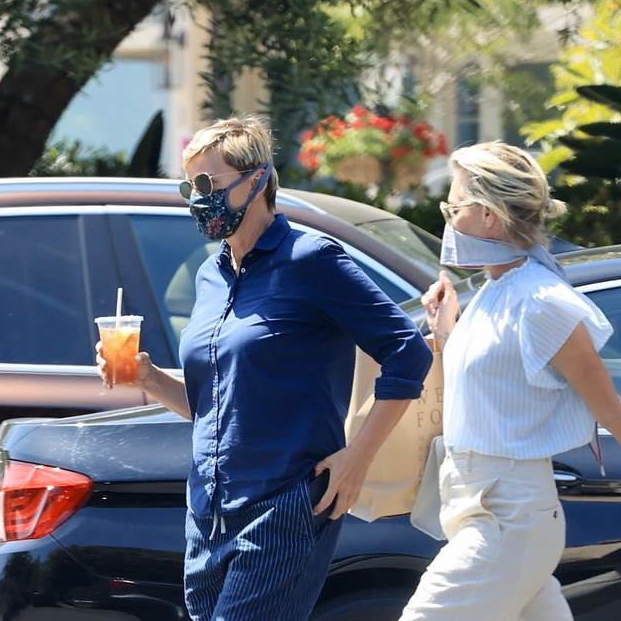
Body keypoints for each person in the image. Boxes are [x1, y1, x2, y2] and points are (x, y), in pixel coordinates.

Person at [96, 115, 432, 621]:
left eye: (208, 183)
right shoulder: (210, 275)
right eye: (189, 187)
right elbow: (214, 410)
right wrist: (148, 378)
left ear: (257, 181)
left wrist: (357, 457)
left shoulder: (310, 260)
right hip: (208, 513)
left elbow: (408, 351)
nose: (198, 198)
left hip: (284, 504)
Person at [401, 141, 621, 621]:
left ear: (488, 215)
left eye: (454, 208)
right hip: (483, 511)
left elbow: (617, 415)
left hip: (508, 520)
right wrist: (446, 330)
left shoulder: (543, 303)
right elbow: (486, 394)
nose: (447, 220)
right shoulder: (494, 291)